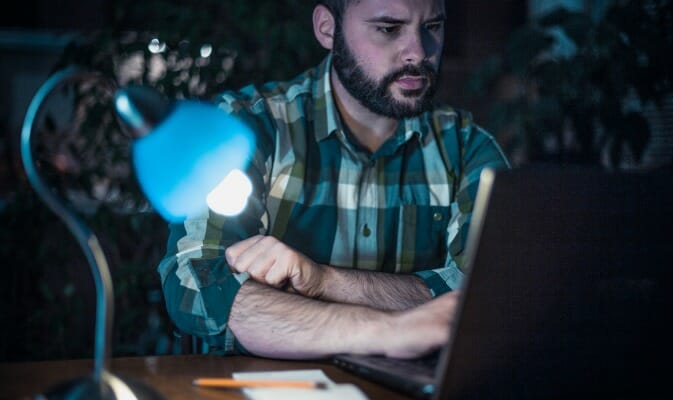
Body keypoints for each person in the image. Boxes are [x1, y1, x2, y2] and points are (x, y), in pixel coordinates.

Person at [157, 0, 509, 359]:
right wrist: (388, 331)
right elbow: (195, 286)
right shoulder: (245, 126)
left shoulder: (468, 148)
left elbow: (495, 296)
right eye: (389, 29)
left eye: (432, 26)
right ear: (327, 28)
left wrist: (325, 281)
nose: (418, 52)